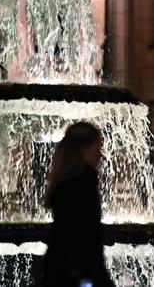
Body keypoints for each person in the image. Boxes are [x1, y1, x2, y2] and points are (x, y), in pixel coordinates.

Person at [41, 122, 114, 287]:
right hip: (76, 274)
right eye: (97, 148)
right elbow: (86, 238)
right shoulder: (83, 183)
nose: (100, 154)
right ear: (83, 149)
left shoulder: (64, 181)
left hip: (58, 269)